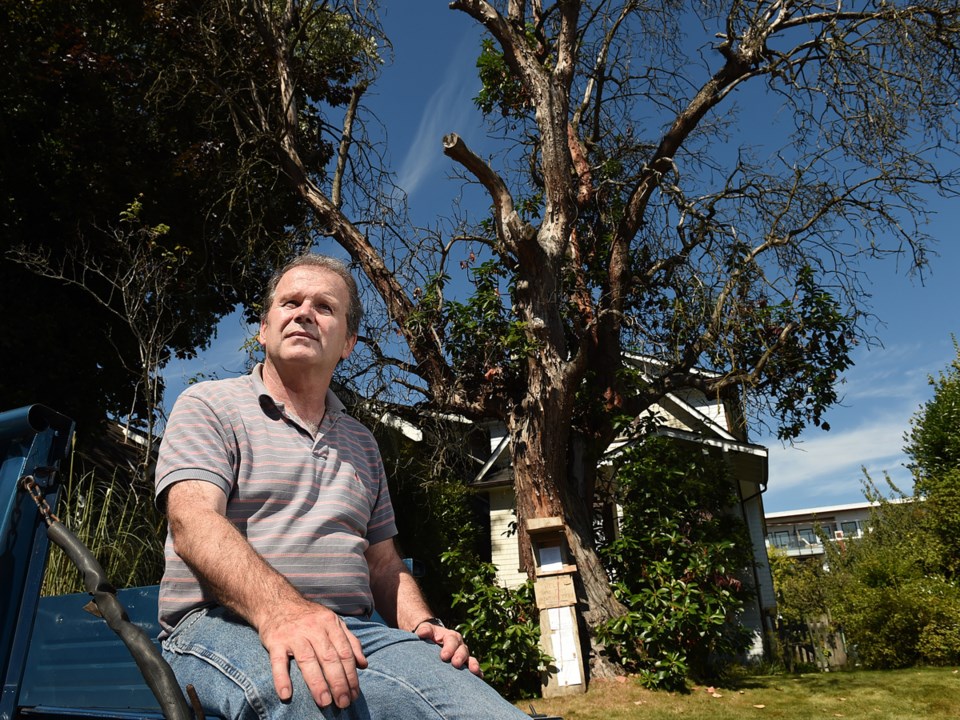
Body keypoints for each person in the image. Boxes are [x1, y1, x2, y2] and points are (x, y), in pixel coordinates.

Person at [155, 254, 530, 720]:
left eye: (325, 307)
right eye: (289, 301)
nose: (304, 312)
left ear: (348, 342)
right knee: (303, 695)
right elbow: (193, 521)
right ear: (263, 328)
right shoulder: (210, 406)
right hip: (218, 623)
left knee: (484, 711)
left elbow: (384, 563)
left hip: (352, 632)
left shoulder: (363, 443)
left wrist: (423, 624)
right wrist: (284, 612)